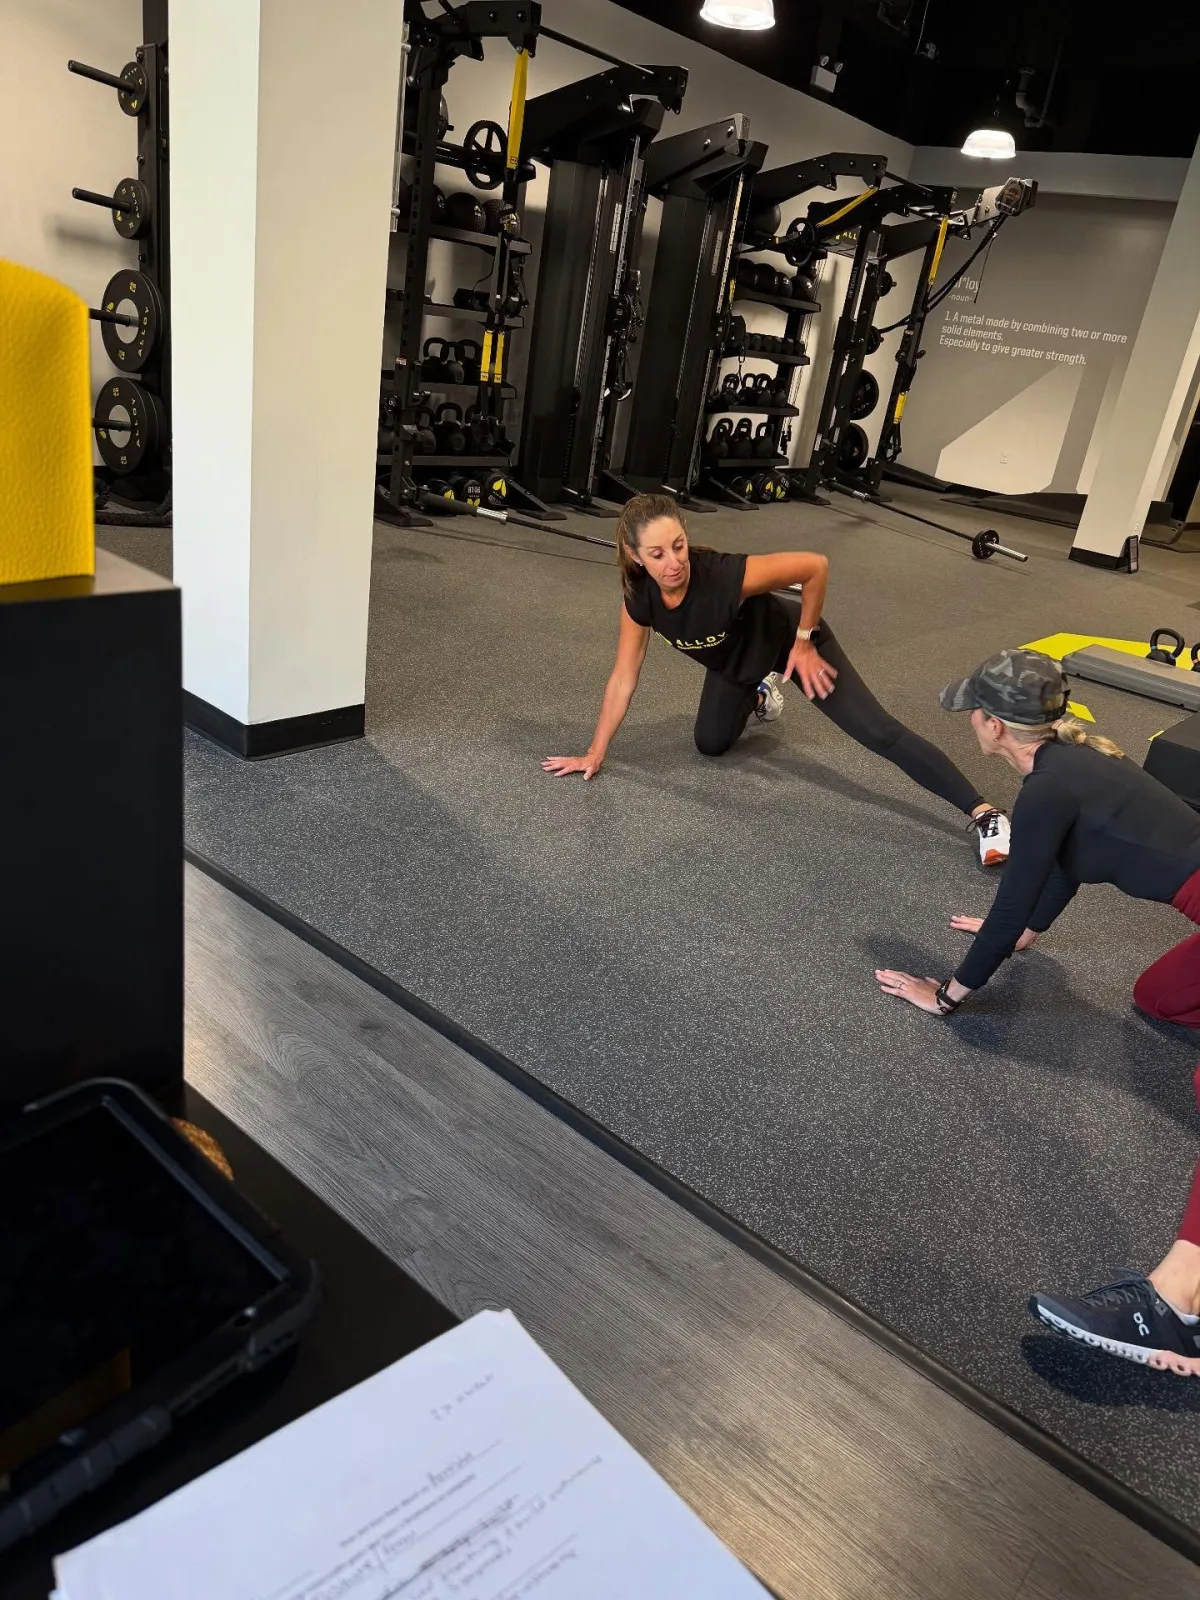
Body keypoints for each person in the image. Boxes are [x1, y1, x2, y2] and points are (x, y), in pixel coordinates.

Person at [874, 645, 1200, 1374]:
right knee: (1160, 998)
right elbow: (1062, 871)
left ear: (990, 725)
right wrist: (1020, 935)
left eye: (972, 716)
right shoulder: (1071, 767)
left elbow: (1019, 890)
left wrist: (951, 994)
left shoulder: (1046, 790)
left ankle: (1177, 1306)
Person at [542, 493, 1011, 865]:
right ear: (634, 554)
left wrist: (804, 641)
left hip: (794, 646)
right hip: (735, 665)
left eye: (679, 546)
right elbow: (624, 676)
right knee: (709, 742)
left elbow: (815, 566)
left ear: (687, 536)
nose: (673, 563)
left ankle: (984, 813)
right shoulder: (639, 598)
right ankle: (760, 692)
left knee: (876, 731)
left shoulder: (726, 576)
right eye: (657, 553)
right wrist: (595, 751)